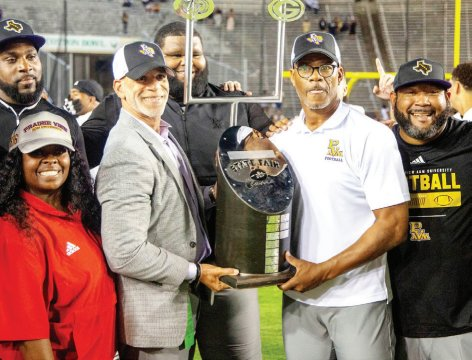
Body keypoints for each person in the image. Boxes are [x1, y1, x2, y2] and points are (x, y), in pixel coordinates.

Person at [82, 21, 272, 359]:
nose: (155, 86)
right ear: (120, 88)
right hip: (161, 295)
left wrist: (216, 194)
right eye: (142, 79)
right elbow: (124, 251)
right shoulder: (125, 145)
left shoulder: (164, 132)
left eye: (158, 77)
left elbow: (178, 202)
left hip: (210, 274)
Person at [270, 31, 410, 360]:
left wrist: (322, 271)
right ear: (293, 78)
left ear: (340, 75)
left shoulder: (371, 136)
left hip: (358, 298)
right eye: (306, 68)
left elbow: (393, 226)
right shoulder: (284, 140)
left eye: (325, 67)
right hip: (299, 301)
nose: (316, 77)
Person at [376, 58, 472, 360]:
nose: (422, 102)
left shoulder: (468, 140)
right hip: (389, 321)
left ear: (448, 96)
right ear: (394, 98)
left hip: (463, 323)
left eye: (432, 91)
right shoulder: (376, 147)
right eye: (411, 92)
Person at [0, 111, 116, 358]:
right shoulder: (15, 230)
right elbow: (29, 335)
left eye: (58, 151)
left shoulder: (80, 214)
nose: (50, 160)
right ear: (18, 162)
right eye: (37, 153)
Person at [0, 18, 86, 165]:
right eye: (12, 59)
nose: (26, 66)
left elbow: (81, 184)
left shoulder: (65, 121)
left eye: (31, 56)